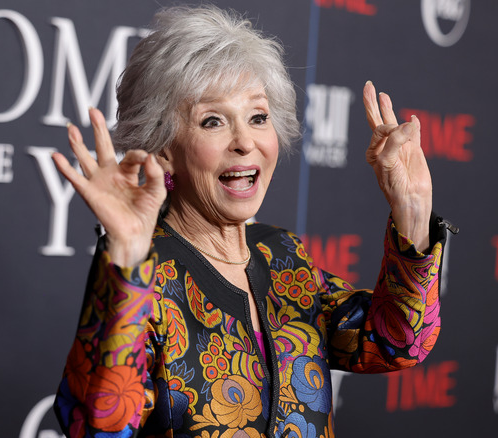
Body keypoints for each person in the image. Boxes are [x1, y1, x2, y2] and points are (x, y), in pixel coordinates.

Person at [51, 5, 451, 438]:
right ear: (163, 147)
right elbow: (96, 426)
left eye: (258, 117)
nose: (245, 142)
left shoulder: (283, 256)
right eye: (213, 121)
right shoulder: (141, 274)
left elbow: (396, 341)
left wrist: (412, 209)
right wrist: (127, 254)